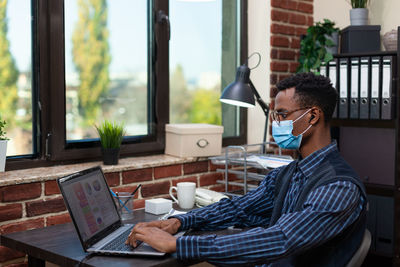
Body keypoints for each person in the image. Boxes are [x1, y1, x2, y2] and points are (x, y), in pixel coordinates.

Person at [126, 72, 367, 266]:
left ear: (313, 116)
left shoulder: (338, 186)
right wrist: (180, 223)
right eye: (274, 115)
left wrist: (178, 245)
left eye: (282, 115)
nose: (276, 124)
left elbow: (281, 239)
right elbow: (239, 208)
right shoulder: (289, 173)